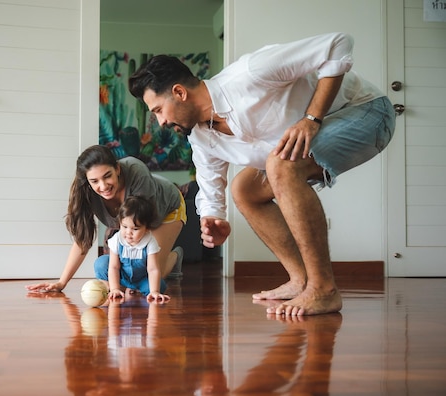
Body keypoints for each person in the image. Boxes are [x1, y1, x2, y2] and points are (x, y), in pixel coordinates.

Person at [128, 32, 396, 316]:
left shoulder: (249, 74)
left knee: (280, 165)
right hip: (322, 136)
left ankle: (323, 289)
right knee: (244, 188)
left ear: (180, 93)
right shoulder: (201, 137)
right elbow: (210, 185)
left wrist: (311, 119)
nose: (161, 122)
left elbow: (338, 44)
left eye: (159, 110)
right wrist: (213, 218)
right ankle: (300, 280)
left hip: (368, 112)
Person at [26, 145, 186, 294]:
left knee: (151, 270)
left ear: (117, 168)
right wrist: (61, 283)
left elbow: (143, 229)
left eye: (107, 176)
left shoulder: (136, 171)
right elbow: (83, 240)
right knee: (129, 273)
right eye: (94, 181)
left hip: (166, 208)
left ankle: (173, 258)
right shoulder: (86, 192)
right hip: (135, 223)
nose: (103, 186)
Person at [98, 195, 170, 302]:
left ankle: (136, 288)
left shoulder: (150, 242)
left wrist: (154, 291)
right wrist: (115, 289)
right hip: (122, 276)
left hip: (141, 279)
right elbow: (114, 267)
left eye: (135, 229)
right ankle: (114, 287)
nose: (128, 233)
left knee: (160, 286)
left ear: (147, 229)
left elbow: (153, 269)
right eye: (124, 226)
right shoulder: (117, 239)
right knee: (101, 263)